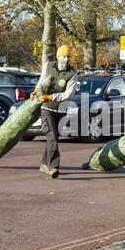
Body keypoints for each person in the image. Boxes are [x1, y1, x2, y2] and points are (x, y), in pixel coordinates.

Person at [30, 45, 78, 178]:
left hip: (61, 108)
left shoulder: (72, 73)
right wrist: (36, 91)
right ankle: (53, 167)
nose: (65, 59)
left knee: (54, 137)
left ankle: (44, 164)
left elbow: (68, 95)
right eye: (63, 56)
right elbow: (41, 81)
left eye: (68, 57)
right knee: (51, 136)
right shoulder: (48, 66)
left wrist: (51, 96)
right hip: (46, 107)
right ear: (57, 56)